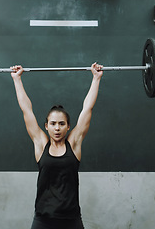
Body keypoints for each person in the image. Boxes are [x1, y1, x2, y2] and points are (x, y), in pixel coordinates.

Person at [10, 62, 103, 229]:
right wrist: (17, 80)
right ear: (46, 126)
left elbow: (87, 108)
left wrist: (96, 78)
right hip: (43, 220)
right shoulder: (41, 144)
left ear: (68, 126)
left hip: (71, 220)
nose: (57, 128)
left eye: (61, 124)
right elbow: (26, 110)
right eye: (53, 124)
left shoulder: (74, 144)